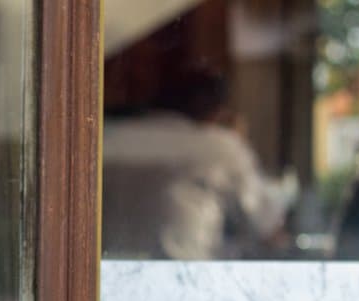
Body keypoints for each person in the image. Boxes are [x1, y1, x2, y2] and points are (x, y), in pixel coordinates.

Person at [101, 66, 291, 260]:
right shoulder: (220, 147)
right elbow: (264, 223)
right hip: (183, 272)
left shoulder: (110, 134)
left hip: (103, 274)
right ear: (217, 111)